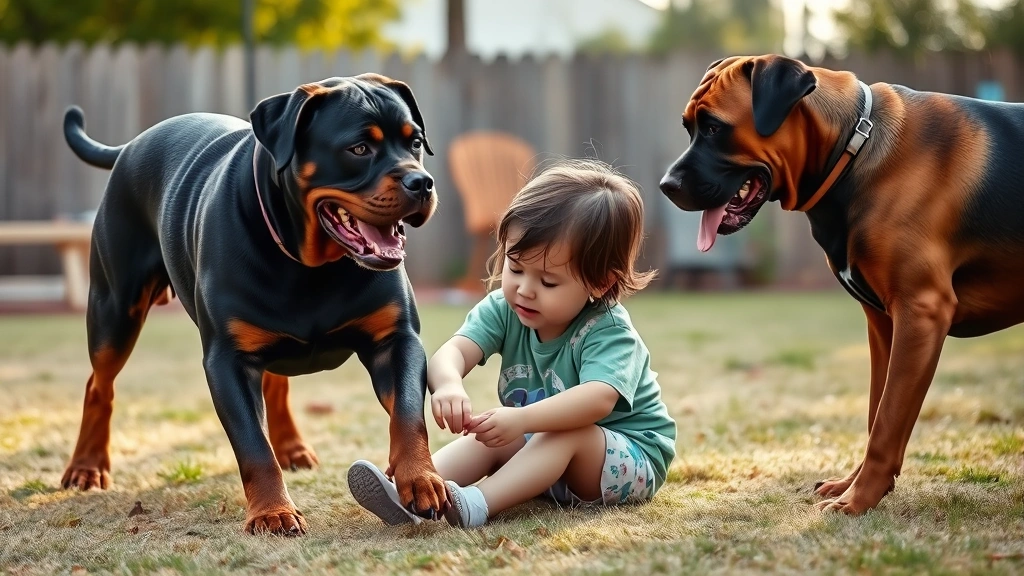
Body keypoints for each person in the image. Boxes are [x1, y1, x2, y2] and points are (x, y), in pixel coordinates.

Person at [348, 159, 677, 528]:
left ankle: (479, 503)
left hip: (627, 460)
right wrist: (450, 385)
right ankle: (415, 491)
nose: (524, 289)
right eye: (515, 267)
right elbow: (452, 352)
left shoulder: (609, 329)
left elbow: (598, 398)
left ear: (599, 283)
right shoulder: (507, 309)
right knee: (488, 436)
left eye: (548, 282)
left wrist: (520, 419)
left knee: (562, 432)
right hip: (545, 456)